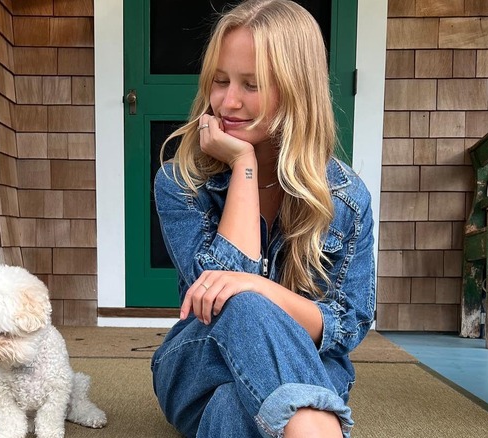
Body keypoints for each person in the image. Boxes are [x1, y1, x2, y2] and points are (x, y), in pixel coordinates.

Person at [151, 1, 375, 437]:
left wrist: (260, 286)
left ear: (296, 89)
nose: (228, 102)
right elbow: (219, 293)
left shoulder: (346, 198)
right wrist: (243, 167)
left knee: (235, 409)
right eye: (220, 81)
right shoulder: (181, 182)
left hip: (310, 368)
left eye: (251, 85)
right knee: (241, 301)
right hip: (198, 362)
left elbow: (347, 326)